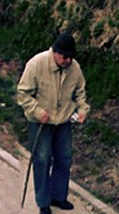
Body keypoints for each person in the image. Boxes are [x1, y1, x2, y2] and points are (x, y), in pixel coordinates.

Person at [16, 33, 90, 214]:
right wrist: (37, 111)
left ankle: (59, 196)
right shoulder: (36, 64)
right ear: (55, 52)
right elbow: (23, 94)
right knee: (42, 160)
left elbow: (80, 93)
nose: (68, 60)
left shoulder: (75, 68)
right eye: (65, 57)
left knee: (64, 159)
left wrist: (82, 110)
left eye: (71, 57)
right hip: (41, 123)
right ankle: (43, 202)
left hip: (63, 122)